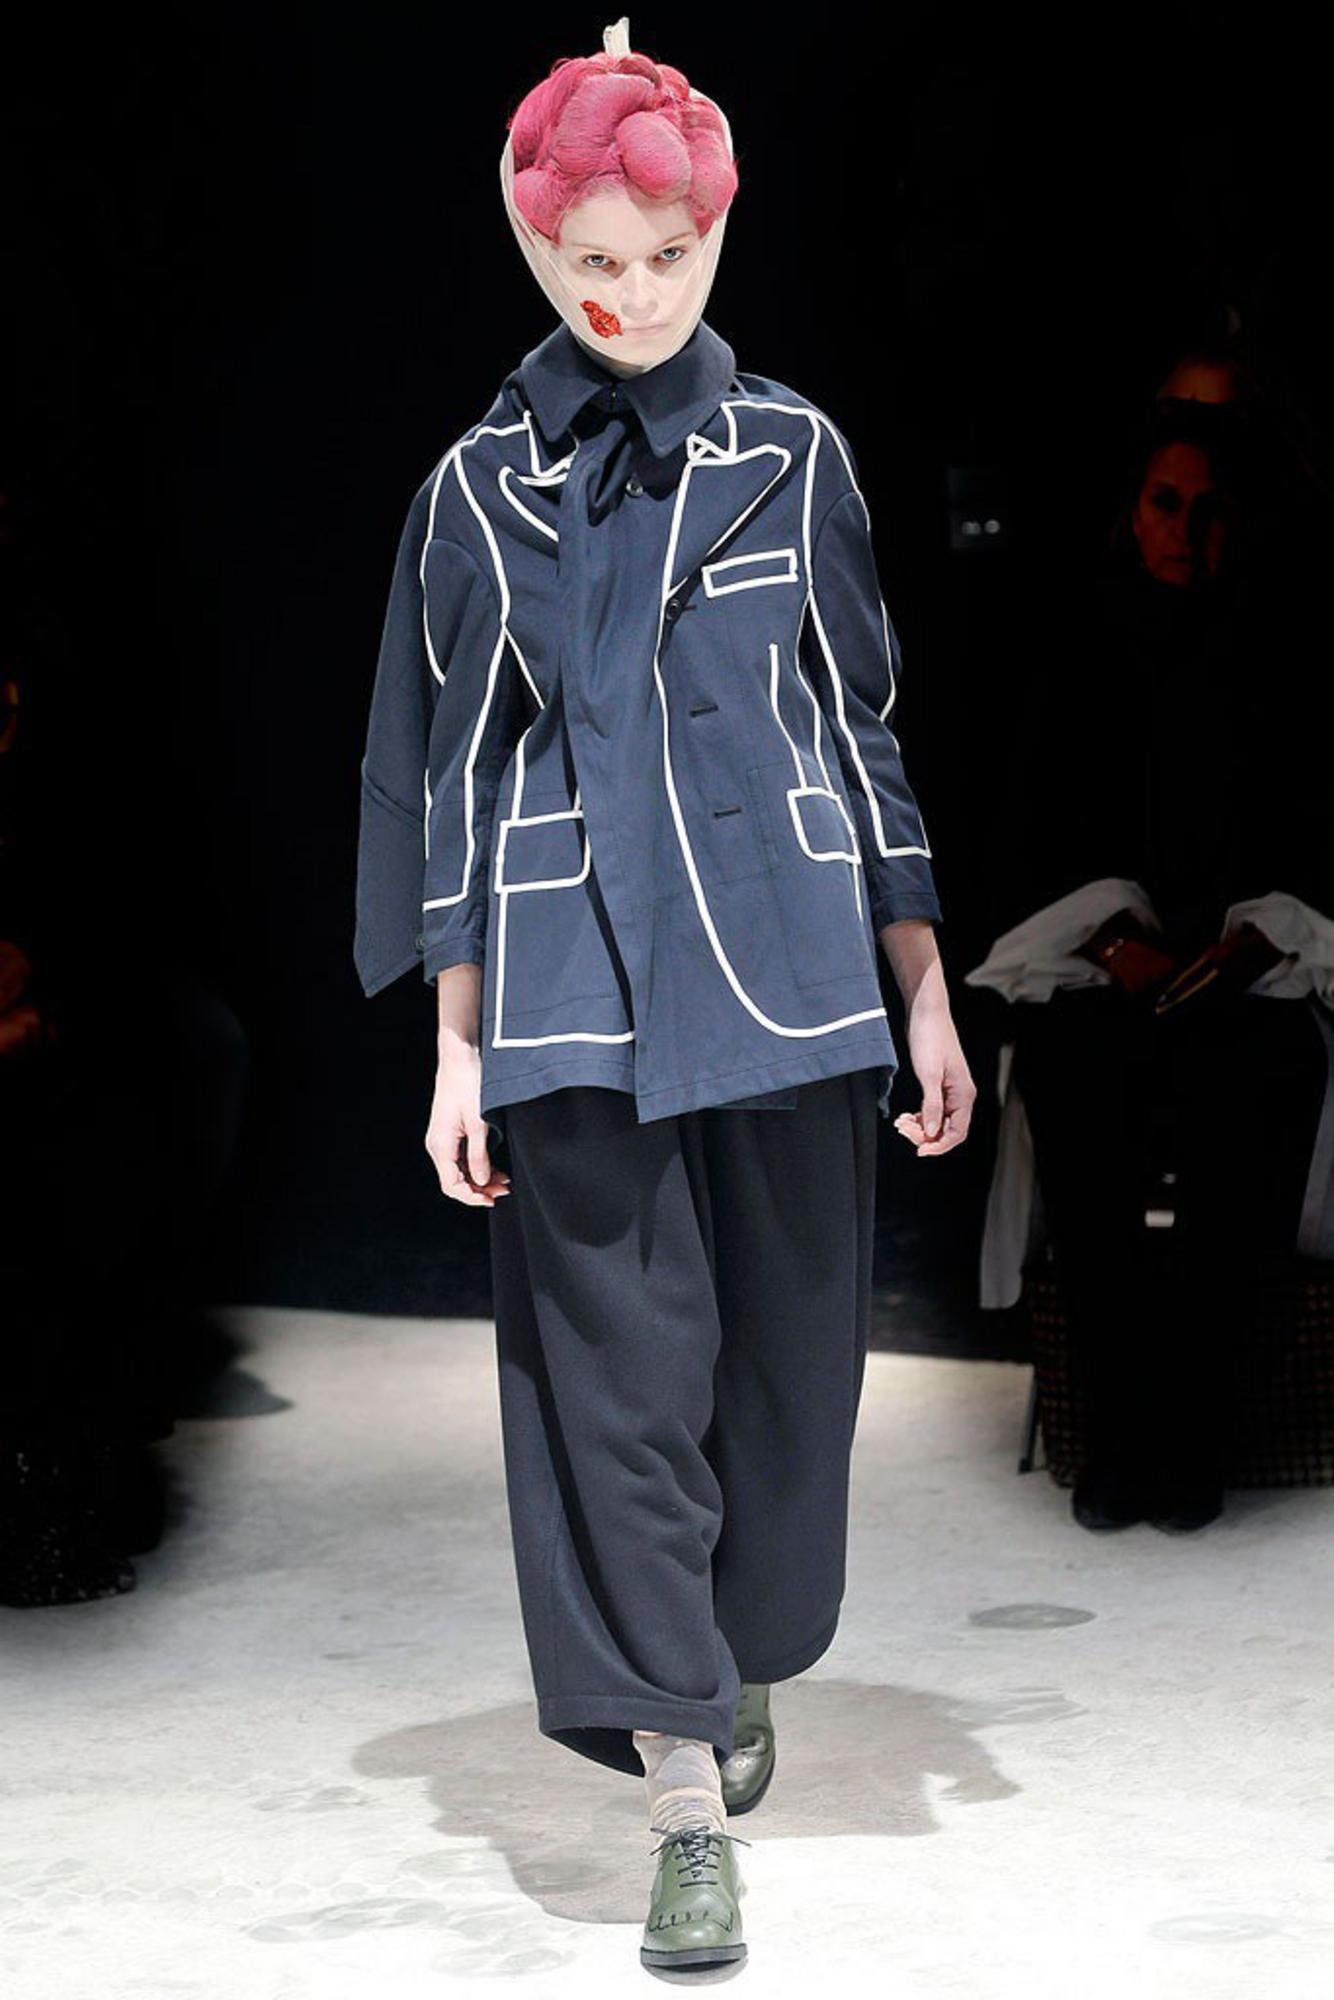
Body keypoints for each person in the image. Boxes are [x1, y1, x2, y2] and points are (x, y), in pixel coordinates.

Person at [354, 18, 974, 1971]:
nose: (627, 296)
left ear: (718, 231)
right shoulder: (479, 488)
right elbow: (449, 774)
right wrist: (453, 1043)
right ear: (536, 250)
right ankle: (681, 1792)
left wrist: (925, 988)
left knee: (782, 1393)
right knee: (617, 1398)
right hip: (567, 988)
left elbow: (858, 725)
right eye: (589, 262)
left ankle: (735, 1648)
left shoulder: (791, 454)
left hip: (784, 967)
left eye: (665, 255)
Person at [977, 399, 1330, 1534]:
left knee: (1261, 1083)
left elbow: (1311, 835)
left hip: (1244, 978)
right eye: (1166, 504)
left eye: (1209, 509)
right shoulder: (1081, 649)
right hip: (1103, 975)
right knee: (1074, 1081)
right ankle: (1118, 1429)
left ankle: (1195, 1437)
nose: (1186, 531)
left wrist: (1255, 938)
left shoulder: (1283, 652)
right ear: (1132, 513)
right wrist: (1109, 942)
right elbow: (1028, 836)